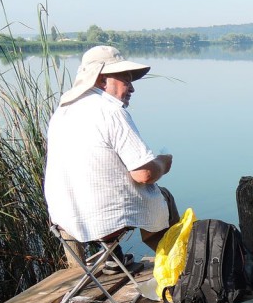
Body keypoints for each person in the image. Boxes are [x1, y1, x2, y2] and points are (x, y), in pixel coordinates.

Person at [44, 45, 179, 264]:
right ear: (100, 80)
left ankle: (113, 260)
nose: (132, 88)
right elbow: (144, 174)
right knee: (162, 197)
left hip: (63, 218)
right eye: (126, 80)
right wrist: (163, 163)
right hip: (100, 220)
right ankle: (177, 266)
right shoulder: (111, 111)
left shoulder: (62, 111)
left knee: (103, 190)